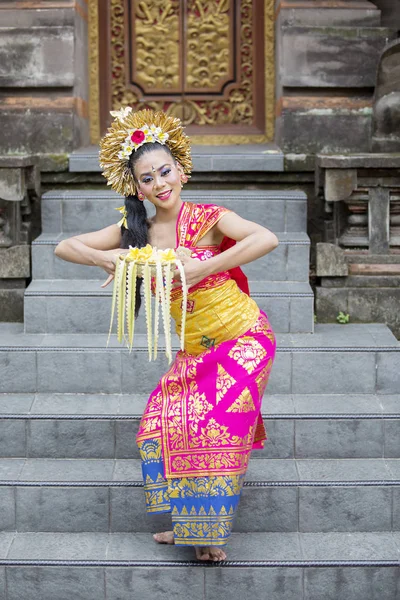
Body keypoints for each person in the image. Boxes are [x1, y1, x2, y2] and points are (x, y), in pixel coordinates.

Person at [54, 108, 278, 562]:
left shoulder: (210, 218)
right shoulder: (135, 232)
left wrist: (207, 264)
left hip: (244, 339)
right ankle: (191, 522)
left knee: (211, 426)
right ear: (136, 187)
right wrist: (108, 259)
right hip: (193, 352)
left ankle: (208, 537)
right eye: (148, 178)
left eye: (165, 171)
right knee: (156, 429)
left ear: (181, 169)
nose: (160, 183)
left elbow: (266, 238)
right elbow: (64, 246)